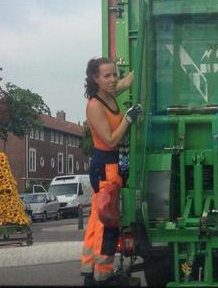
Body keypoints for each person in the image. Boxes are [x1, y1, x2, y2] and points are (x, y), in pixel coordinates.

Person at [80, 57, 140, 286]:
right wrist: (128, 118)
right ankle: (101, 276)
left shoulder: (110, 94)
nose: (113, 79)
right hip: (104, 167)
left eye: (114, 74)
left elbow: (128, 81)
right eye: (107, 76)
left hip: (114, 167)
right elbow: (111, 139)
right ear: (96, 79)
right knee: (106, 223)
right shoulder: (95, 105)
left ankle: (92, 272)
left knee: (101, 220)